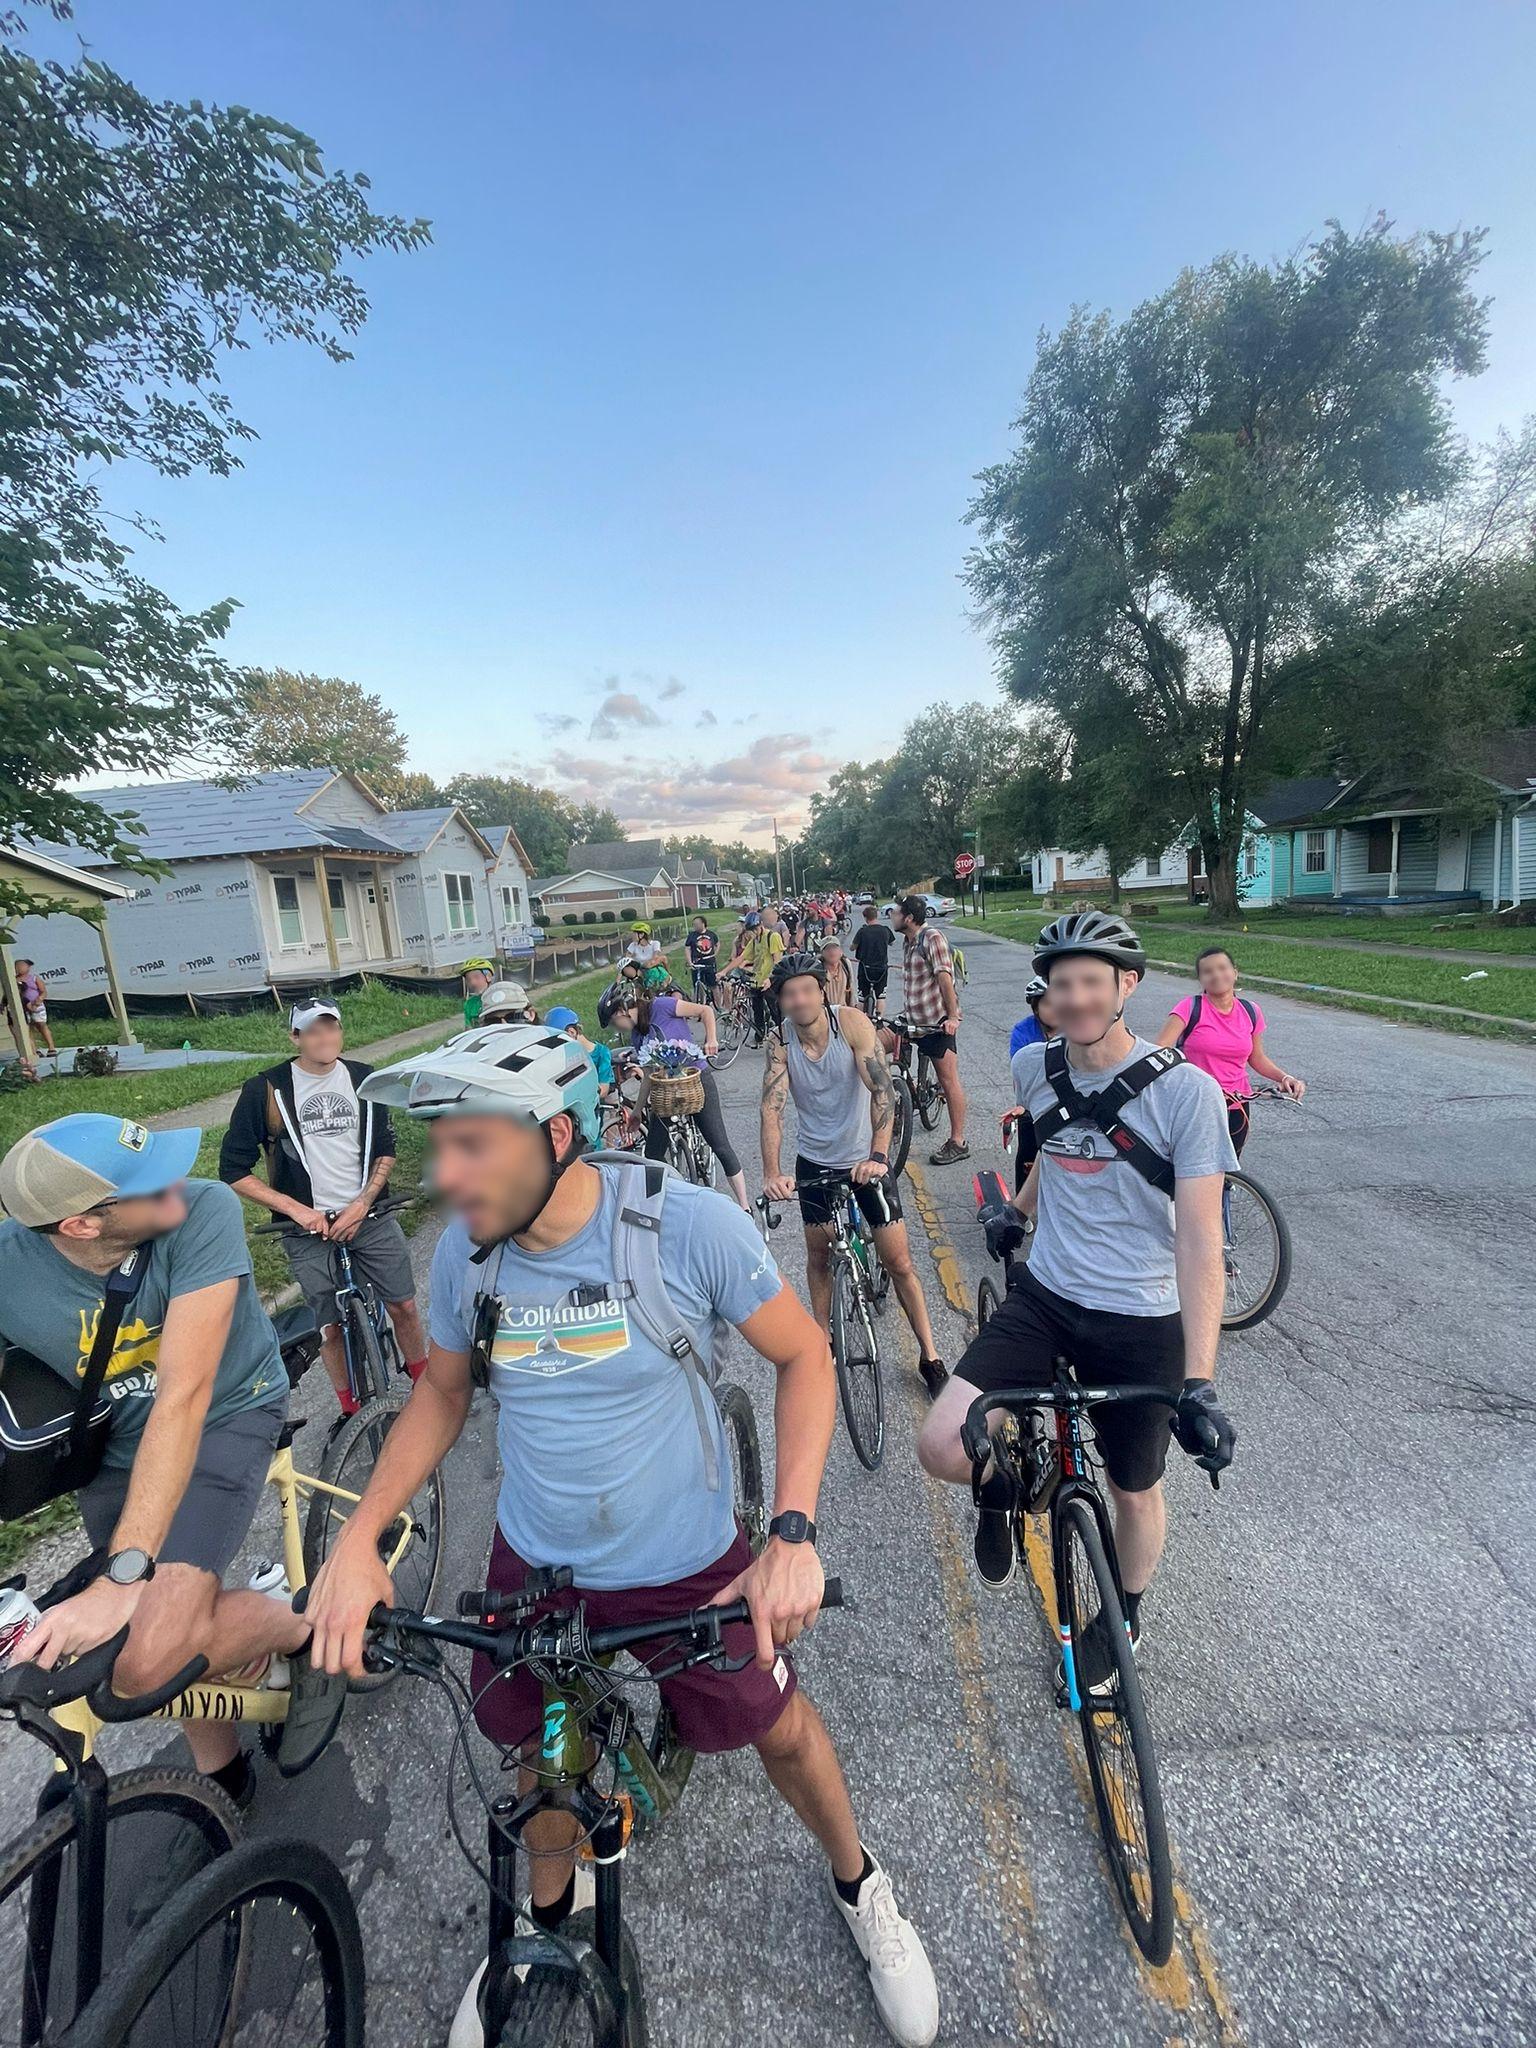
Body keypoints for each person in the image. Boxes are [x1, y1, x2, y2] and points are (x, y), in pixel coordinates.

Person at [302, 1024, 940, 2048]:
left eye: (470, 1145)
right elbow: (444, 1394)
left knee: (776, 1728)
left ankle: (862, 1884)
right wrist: (357, 1539)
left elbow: (806, 1357)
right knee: (545, 1754)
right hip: (542, 1560)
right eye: (439, 1147)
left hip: (685, 1558)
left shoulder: (682, 1226)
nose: (443, 1174)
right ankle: (543, 1921)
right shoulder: (471, 1252)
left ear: (557, 1135)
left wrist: (789, 1532)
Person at [916, 910, 1237, 1690]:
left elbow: (1200, 1240)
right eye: (1064, 984)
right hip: (1048, 1298)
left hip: (1143, 1316)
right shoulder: (1037, 1068)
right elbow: (1060, 1150)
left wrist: (1200, 1382)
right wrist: (1017, 1209)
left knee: (1135, 1491)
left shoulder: (1188, 1095)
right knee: (940, 1445)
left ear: (1127, 984)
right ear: (1049, 994)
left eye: (1094, 981)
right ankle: (1002, 1485)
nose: (1078, 997)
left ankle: (1123, 1615)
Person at [0, 1113, 345, 1789]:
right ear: (81, 1225)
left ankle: (305, 1636)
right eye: (151, 1186)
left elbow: (184, 1395)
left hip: (225, 1407)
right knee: (144, 1631)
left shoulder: (202, 1210)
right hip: (114, 1442)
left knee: (141, 1657)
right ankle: (222, 1781)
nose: (178, 1187)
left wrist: (123, 1578)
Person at [221, 998, 427, 1413]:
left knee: (403, 1304)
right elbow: (233, 1169)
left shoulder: (364, 1079)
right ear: (295, 1037)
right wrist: (296, 1211)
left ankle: (426, 1385)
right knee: (330, 1328)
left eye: (331, 1028)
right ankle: (351, 1411)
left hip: (368, 1215)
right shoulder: (267, 1090)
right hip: (304, 1229)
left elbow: (385, 1149)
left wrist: (363, 1202)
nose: (324, 1038)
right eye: (313, 1031)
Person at [760, 953, 947, 1399]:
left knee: (898, 1262)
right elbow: (772, 1107)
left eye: (807, 989)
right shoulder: (780, 1042)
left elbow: (882, 1090)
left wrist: (878, 1156)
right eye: (790, 993)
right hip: (816, 1161)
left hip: (865, 1157)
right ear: (782, 1001)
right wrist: (772, 1172)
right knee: (819, 1255)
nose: (799, 999)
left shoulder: (852, 1024)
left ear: (821, 991)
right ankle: (822, 1342)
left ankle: (931, 1355)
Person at [600, 970, 749, 1209]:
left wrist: (711, 1039)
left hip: (695, 1079)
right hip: (666, 1093)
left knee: (720, 1144)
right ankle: (664, 1207)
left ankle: (745, 1207)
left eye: (614, 1023)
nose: (618, 1028)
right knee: (652, 1155)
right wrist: (637, 1112)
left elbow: (705, 1011)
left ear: (621, 1012)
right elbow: (648, 1075)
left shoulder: (663, 1005)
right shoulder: (637, 1037)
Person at [1154, 946, 1305, 1158]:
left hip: (1236, 1105)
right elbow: (1160, 1052)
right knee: (1192, 1171)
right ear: (1201, 979)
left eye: (1222, 968)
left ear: (1235, 972)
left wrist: (1285, 1077)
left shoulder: (1251, 1011)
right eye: (1208, 971)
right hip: (1196, 1104)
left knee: (1227, 1172)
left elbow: (1257, 1058)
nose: (1216, 975)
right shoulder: (1189, 1007)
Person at [889, 896, 968, 1164]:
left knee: (949, 1080)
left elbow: (944, 978)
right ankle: (894, 1102)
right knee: (874, 1045)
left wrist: (953, 1017)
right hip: (912, 1019)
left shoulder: (931, 937)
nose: (892, 915)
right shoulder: (908, 941)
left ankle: (958, 1142)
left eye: (896, 912)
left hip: (935, 1023)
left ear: (909, 917)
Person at [1002, 975, 1059, 1192]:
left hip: (1069, 1103)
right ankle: (1021, 1206)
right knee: (1027, 1152)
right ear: (1036, 1008)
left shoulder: (1076, 1028)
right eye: (1047, 1004)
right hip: (1032, 1102)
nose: (1055, 1009)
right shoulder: (1024, 1030)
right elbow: (1022, 1071)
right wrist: (1023, 1105)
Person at [726, 909, 786, 1048]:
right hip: (756, 980)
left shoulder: (773, 937)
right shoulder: (754, 941)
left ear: (760, 926)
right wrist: (724, 972)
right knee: (757, 1010)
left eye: (753, 930)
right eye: (750, 930)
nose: (752, 933)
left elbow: (777, 962)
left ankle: (784, 1039)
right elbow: (742, 957)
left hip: (769, 981)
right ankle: (759, 1036)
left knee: (775, 1011)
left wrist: (770, 978)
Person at [545, 1003, 615, 1096]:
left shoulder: (601, 1053)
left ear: (571, 1032)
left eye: (557, 1041)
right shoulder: (564, 1057)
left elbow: (604, 1089)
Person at [851, 903, 895, 1020]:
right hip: (881, 968)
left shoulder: (862, 931)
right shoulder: (885, 930)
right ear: (876, 916)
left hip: (865, 968)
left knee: (861, 997)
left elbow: (853, 947)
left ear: (865, 918)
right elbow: (891, 942)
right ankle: (879, 1019)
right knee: (881, 996)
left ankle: (860, 1021)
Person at [11, 960, 57, 1058]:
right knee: (28, 1028)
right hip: (23, 1007)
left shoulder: (34, 978)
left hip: (36, 1005)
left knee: (41, 1025)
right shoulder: (13, 980)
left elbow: (43, 991)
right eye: (17, 966)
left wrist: (39, 1000)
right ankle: (34, 1050)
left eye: (22, 965)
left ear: (28, 967)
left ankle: (51, 1047)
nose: (19, 968)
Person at [685, 915, 721, 1004]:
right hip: (697, 964)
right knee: (698, 984)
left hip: (709, 964)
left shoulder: (711, 934)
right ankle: (700, 1003)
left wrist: (715, 954)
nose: (695, 926)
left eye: (697, 924)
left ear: (703, 924)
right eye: (694, 924)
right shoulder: (692, 936)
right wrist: (690, 962)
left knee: (713, 985)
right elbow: (687, 948)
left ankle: (718, 1005)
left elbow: (718, 944)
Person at [820, 936, 854, 1009]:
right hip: (825, 1012)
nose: (832, 952)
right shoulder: (819, 969)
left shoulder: (846, 964)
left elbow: (851, 987)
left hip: (843, 1012)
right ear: (822, 954)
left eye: (834, 948)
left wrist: (853, 1009)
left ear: (840, 951)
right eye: (827, 949)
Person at [462, 962, 495, 1029]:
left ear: (488, 977)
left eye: (477, 977)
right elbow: (468, 1029)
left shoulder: (500, 997)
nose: (473, 983)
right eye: (468, 980)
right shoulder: (469, 1004)